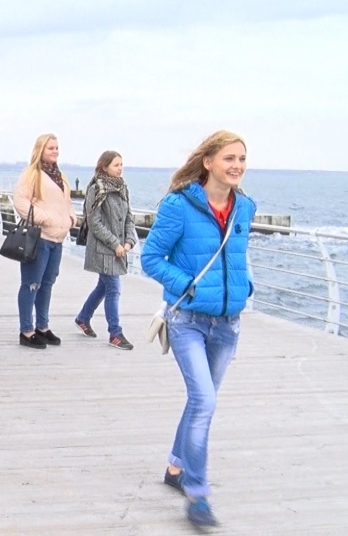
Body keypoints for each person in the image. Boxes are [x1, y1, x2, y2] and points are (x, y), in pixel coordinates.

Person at [141, 130, 255, 528]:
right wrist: (186, 285)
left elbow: (237, 258)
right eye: (229, 158)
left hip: (228, 324)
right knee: (204, 401)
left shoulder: (245, 208)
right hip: (187, 321)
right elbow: (151, 258)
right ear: (208, 162)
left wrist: (245, 288)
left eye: (242, 158)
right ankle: (197, 493)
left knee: (200, 401)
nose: (237, 166)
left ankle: (175, 467)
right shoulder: (179, 205)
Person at [13, 134, 77, 349]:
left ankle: (42, 326)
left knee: (47, 284)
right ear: (40, 149)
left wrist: (71, 218)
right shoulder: (31, 174)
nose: (55, 151)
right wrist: (45, 218)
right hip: (39, 238)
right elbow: (20, 202)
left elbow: (66, 202)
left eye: (57, 147)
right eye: (51, 148)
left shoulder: (60, 176)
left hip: (57, 240)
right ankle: (26, 330)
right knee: (31, 283)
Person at [74, 150, 138, 349]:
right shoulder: (97, 188)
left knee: (104, 286)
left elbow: (129, 217)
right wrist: (114, 243)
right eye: (116, 165)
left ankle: (83, 317)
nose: (120, 168)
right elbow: (94, 222)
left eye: (121, 164)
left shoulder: (122, 187)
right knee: (113, 288)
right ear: (104, 167)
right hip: (102, 248)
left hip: (119, 249)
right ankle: (115, 334)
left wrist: (129, 241)